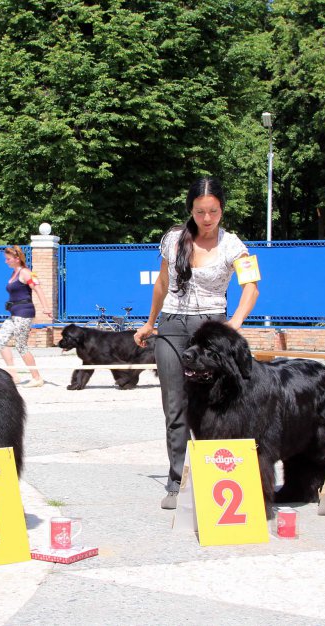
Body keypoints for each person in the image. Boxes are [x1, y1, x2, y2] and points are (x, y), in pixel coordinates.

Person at [133, 177, 259, 510]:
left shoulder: (233, 245)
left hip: (212, 331)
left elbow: (251, 288)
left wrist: (234, 324)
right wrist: (149, 323)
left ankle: (217, 473)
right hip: (172, 326)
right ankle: (178, 482)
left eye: (213, 211)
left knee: (216, 405)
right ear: (191, 209)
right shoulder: (173, 240)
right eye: (200, 211)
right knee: (175, 407)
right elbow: (162, 283)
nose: (206, 218)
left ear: (222, 210)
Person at [0, 245, 52, 387]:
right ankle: (13, 375)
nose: (6, 261)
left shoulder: (26, 273)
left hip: (24, 313)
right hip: (14, 313)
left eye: (8, 259)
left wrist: (46, 308)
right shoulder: (14, 273)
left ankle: (36, 378)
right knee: (1, 341)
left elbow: (37, 289)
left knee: (21, 345)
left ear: (16, 259)